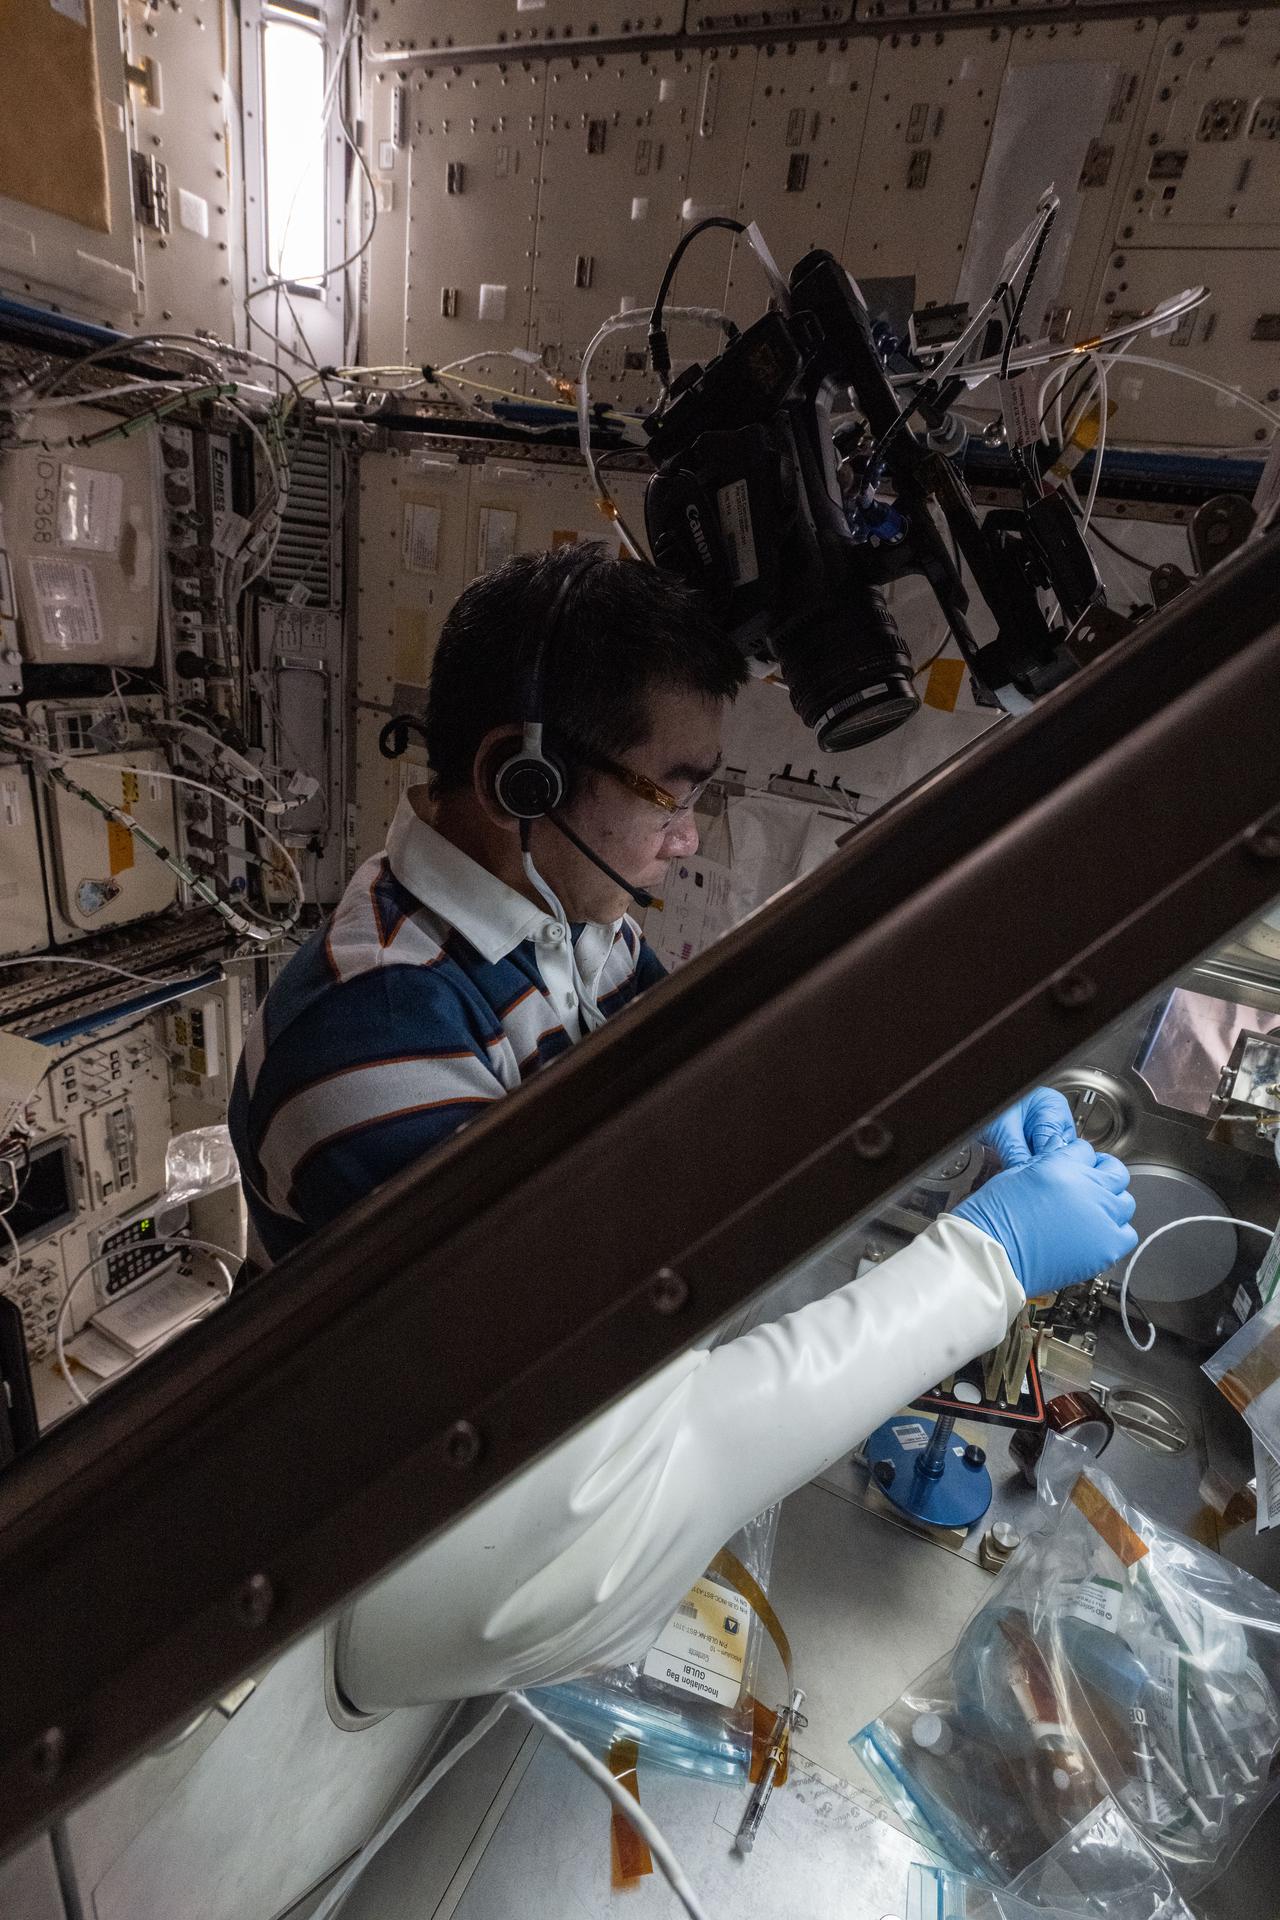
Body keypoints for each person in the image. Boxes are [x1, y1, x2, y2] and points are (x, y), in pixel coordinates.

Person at [229, 542, 1138, 1701]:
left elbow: (713, 1076)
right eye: (677, 789)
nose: (690, 836)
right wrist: (985, 1262)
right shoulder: (371, 1038)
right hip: (394, 1570)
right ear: (522, 776)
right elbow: (610, 1436)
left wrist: (950, 1081)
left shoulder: (557, 923)